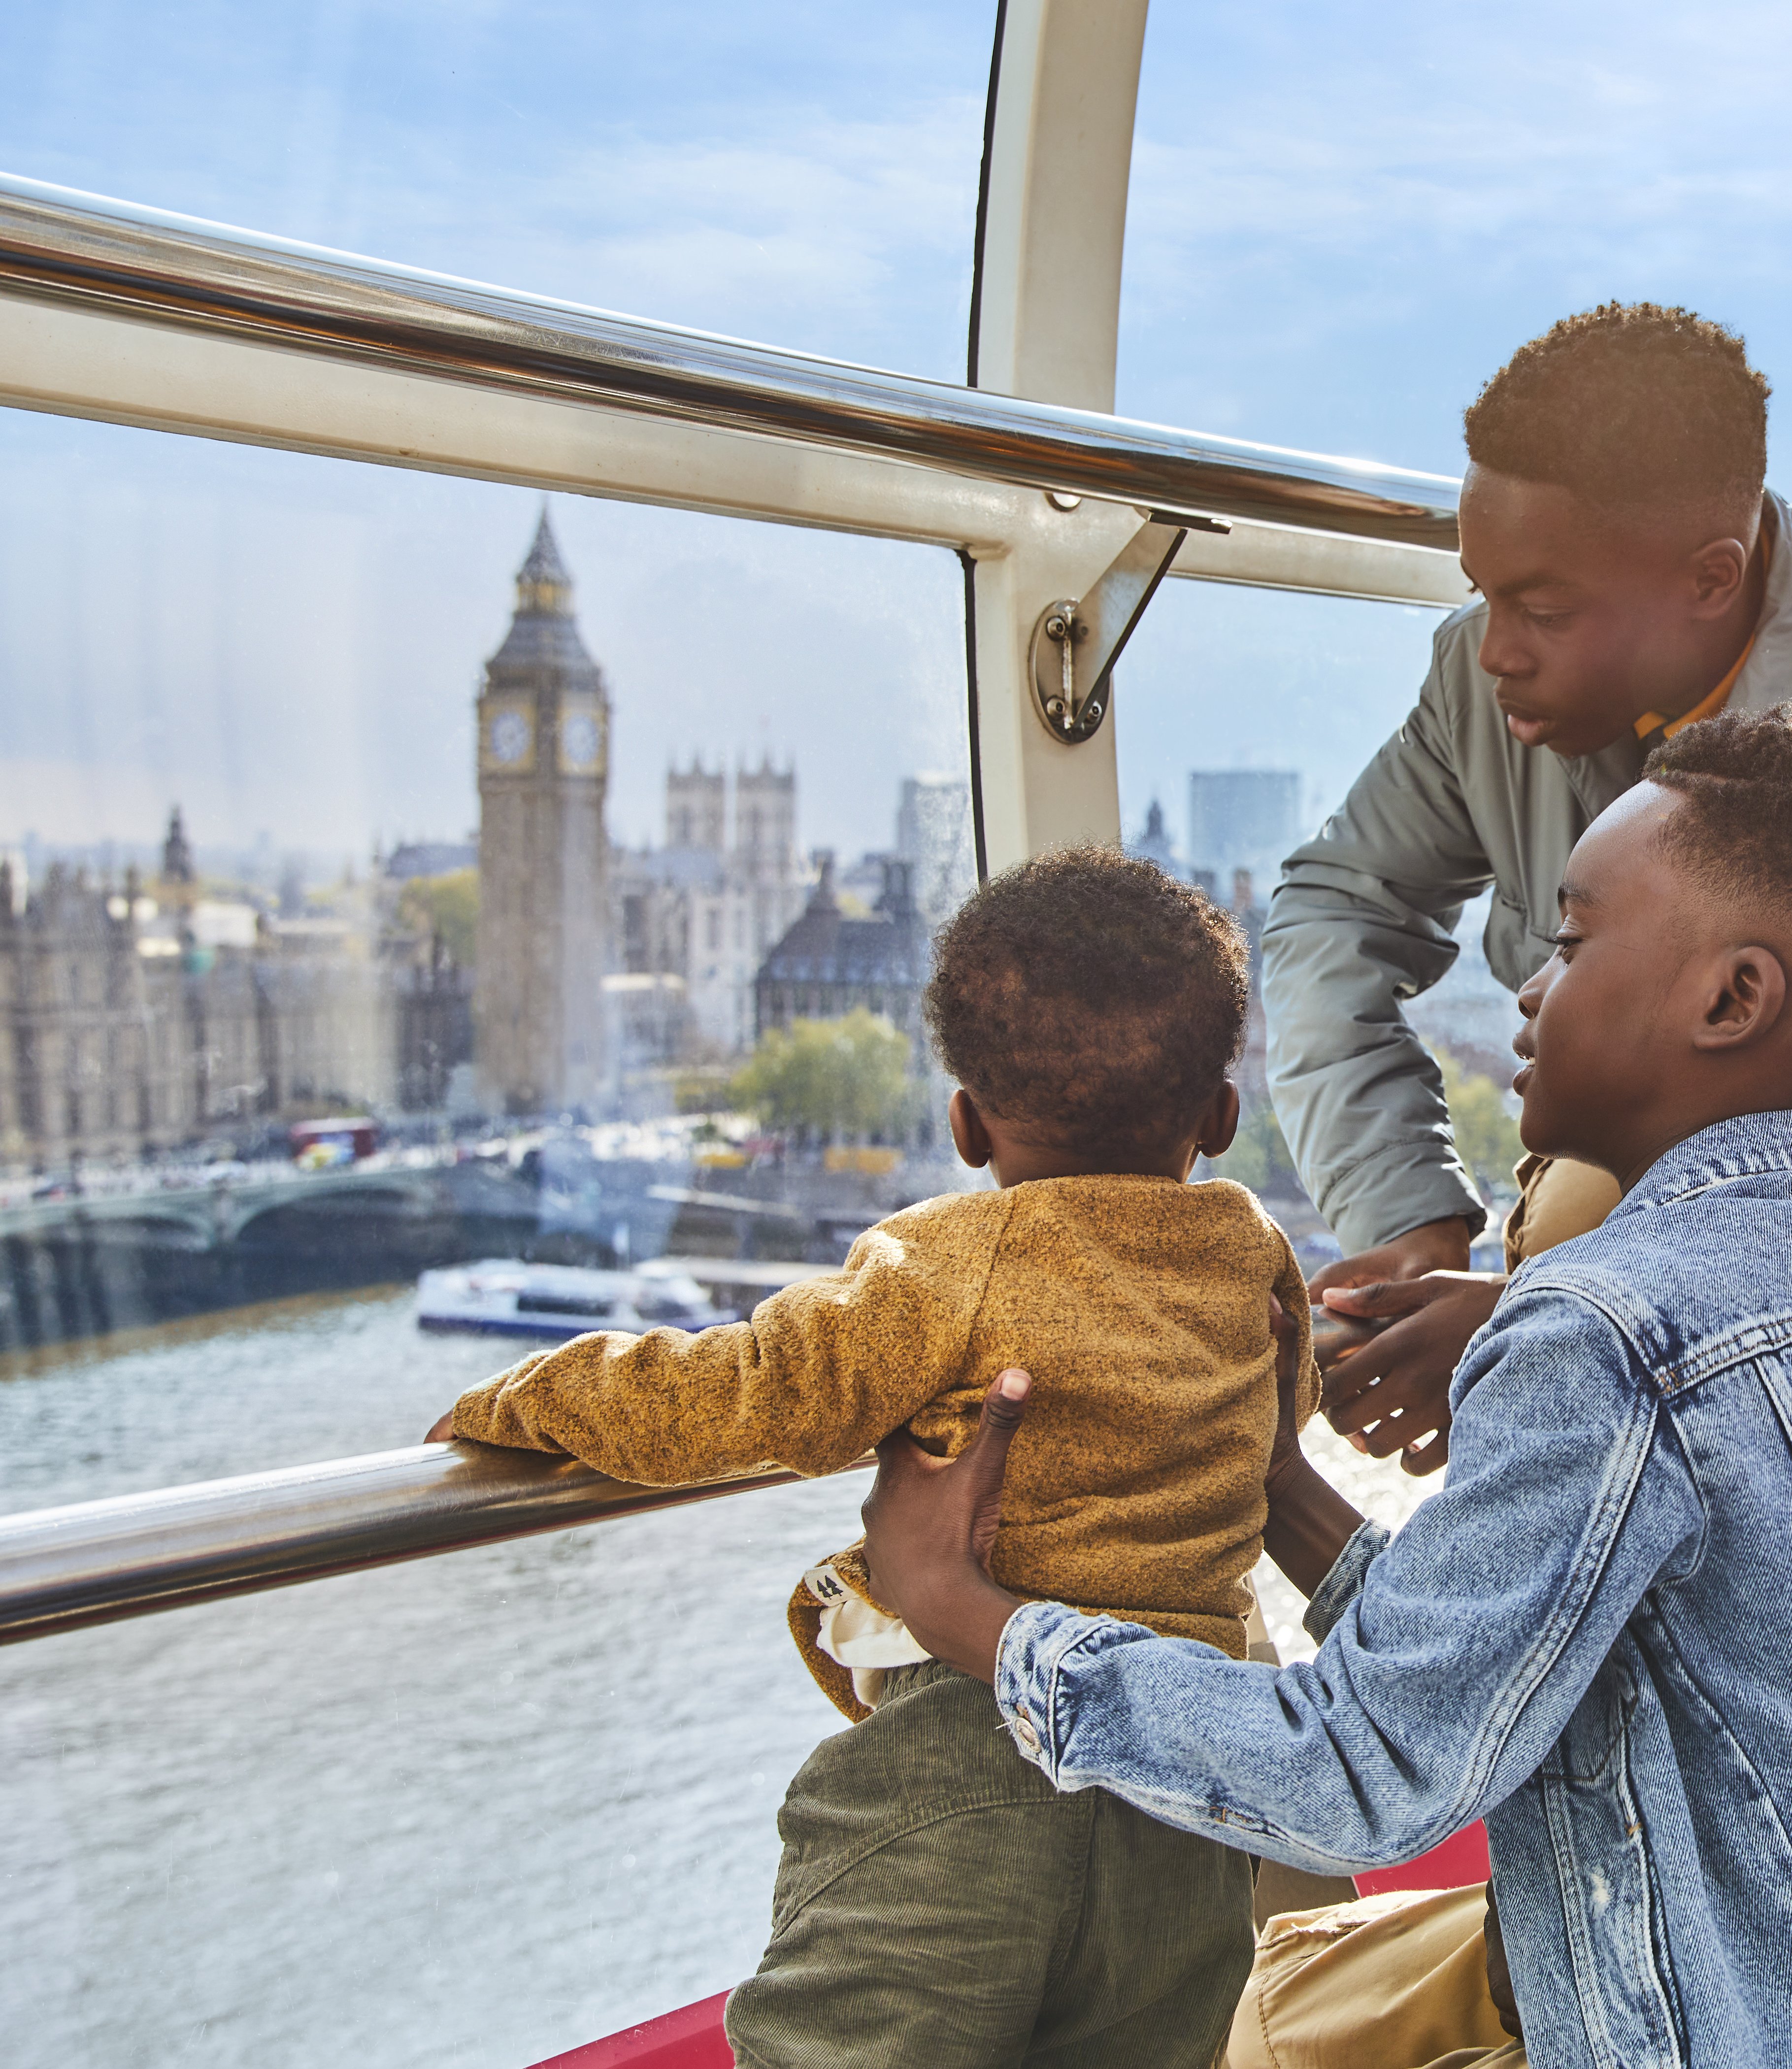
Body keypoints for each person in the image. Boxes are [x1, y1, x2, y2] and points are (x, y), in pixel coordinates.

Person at [861, 709, 1792, 2069]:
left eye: (1569, 941)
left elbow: (1363, 1773)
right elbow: (1514, 1646)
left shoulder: (1608, 1328)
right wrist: (1280, 1490)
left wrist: (970, 1614)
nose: (1531, 995)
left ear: (1732, 999)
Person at [427, 849, 1310, 2069]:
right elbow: (1282, 1411)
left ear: (964, 1124)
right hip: (1186, 1783)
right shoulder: (1247, 1247)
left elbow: (755, 1394)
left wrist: (536, 1394)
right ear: (1220, 1116)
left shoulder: (951, 1261)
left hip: (972, 1751)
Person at [1265, 301, 1792, 1472]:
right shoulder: (1488, 680)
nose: (1492, 652)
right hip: (1645, 1193)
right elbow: (1336, 916)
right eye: (1482, 593)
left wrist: (1572, 1313)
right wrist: (1409, 1220)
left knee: (1762, 1444)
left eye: (1542, 608)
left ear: (1712, 579)